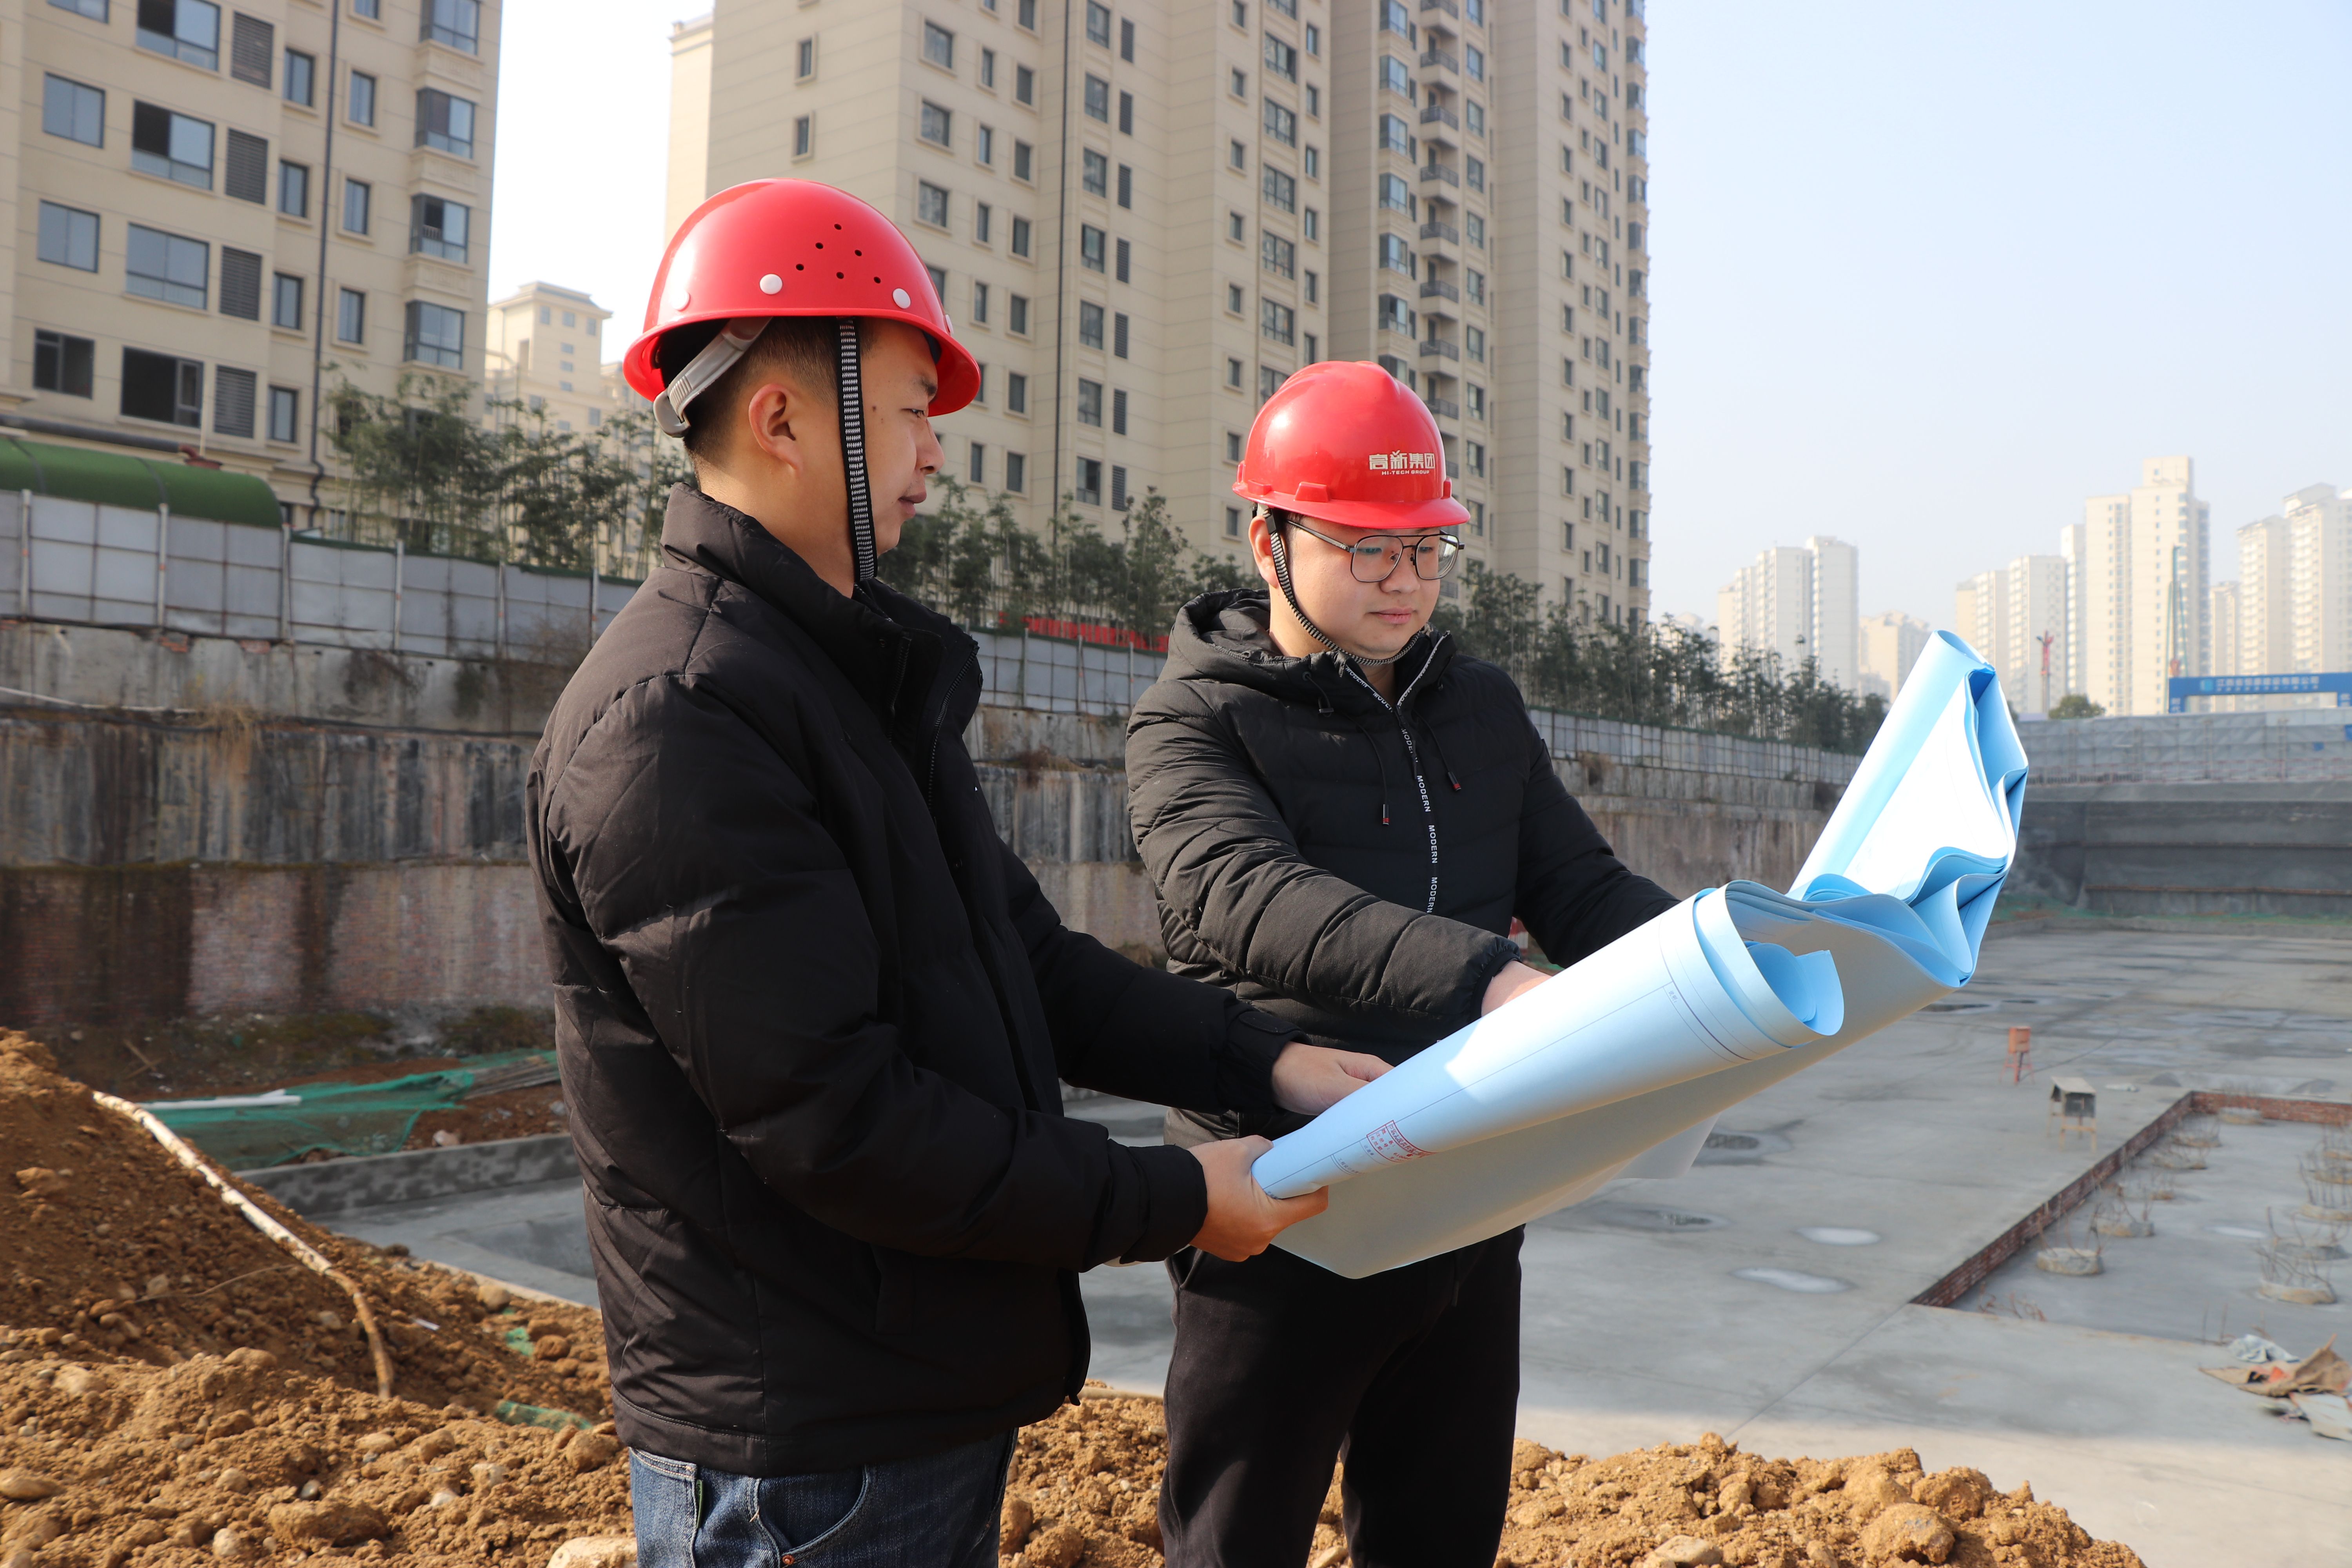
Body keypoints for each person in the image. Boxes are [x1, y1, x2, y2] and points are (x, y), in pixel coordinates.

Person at [526, 182, 1386, 1568]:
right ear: (783, 418)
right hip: (806, 1460)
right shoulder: (681, 720)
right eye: (913, 408)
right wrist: (1179, 1200)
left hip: (899, 1400)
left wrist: (1269, 1062)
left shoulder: (837, 678)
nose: (939, 448)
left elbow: (1025, 962)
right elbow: (836, 1119)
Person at [1124, 361, 1680, 1568]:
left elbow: (1579, 887)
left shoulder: (1478, 706)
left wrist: (1725, 959)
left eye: (1425, 548)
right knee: (1234, 1542)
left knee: (1442, 1532)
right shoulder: (1193, 722)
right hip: (1282, 1202)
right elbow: (1249, 897)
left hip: (1465, 1196)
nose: (1404, 580)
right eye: (1366, 548)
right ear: (1269, 541)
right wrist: (1493, 980)